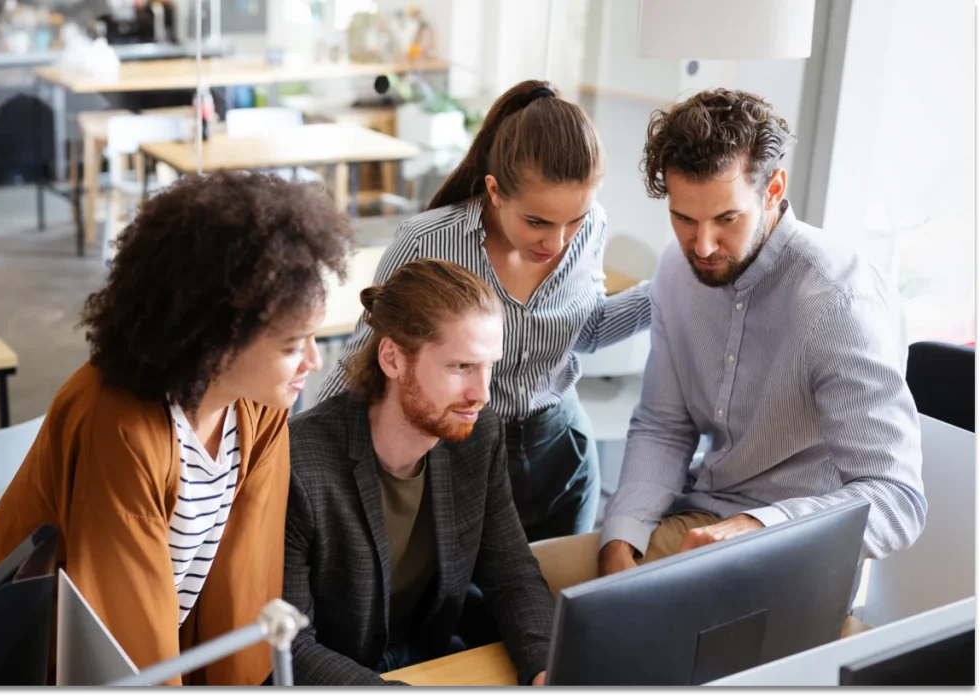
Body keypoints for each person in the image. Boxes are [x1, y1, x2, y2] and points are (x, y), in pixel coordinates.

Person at [0, 171, 353, 686]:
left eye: (313, 338)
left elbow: (240, 590)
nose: (312, 360)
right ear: (216, 340)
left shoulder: (260, 408)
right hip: (25, 659)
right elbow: (118, 641)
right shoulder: (120, 423)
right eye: (290, 345)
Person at [599, 88, 927, 580]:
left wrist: (759, 526)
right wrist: (623, 533)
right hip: (697, 517)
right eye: (683, 218)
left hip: (793, 552)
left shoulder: (837, 298)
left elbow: (897, 499)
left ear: (773, 189)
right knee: (539, 605)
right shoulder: (675, 271)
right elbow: (665, 426)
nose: (703, 245)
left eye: (726, 219)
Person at [316, 80, 653, 542]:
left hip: (562, 456)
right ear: (495, 192)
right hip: (459, 461)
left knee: (554, 606)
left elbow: (586, 329)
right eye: (536, 222)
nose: (556, 243)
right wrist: (303, 456)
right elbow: (366, 359)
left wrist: (667, 290)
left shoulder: (592, 227)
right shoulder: (429, 241)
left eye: (573, 221)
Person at [283, 259, 554, 687]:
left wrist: (545, 668)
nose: (481, 393)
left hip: (430, 659)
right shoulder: (300, 465)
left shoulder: (479, 437)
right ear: (392, 359)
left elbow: (512, 573)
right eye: (461, 367)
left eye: (489, 366)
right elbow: (290, 645)